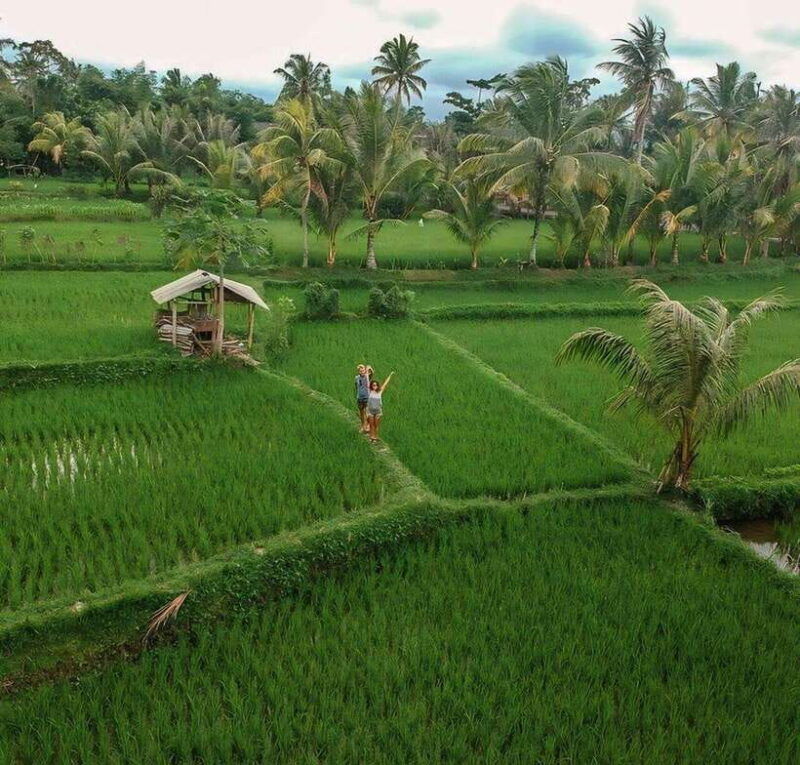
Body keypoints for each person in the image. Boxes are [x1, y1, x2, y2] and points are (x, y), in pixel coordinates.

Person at [366, 372, 394, 443]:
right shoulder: (369, 392)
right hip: (370, 411)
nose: (374, 386)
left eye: (375, 385)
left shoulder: (380, 392)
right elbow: (367, 381)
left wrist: (390, 375)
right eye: (373, 385)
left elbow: (385, 384)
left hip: (378, 411)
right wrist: (367, 374)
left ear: (377, 386)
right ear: (371, 386)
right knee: (371, 425)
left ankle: (375, 437)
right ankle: (371, 437)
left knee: (376, 425)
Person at [355, 364, 371, 433]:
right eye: (360, 370)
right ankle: (363, 426)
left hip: (367, 397)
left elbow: (372, 372)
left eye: (363, 370)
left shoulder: (367, 376)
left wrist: (369, 368)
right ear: (358, 371)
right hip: (360, 397)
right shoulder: (356, 378)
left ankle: (368, 425)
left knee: (367, 413)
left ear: (365, 370)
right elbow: (356, 386)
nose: (362, 371)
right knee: (361, 413)